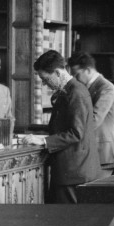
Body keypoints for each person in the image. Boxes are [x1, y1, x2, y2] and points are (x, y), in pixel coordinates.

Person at [24, 50, 101, 203]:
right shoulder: (69, 91)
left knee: (65, 220)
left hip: (74, 171)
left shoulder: (76, 93)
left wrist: (44, 141)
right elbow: (61, 126)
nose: (44, 84)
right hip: (71, 170)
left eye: (45, 79)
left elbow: (75, 133)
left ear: (58, 73)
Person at [68, 52, 114, 175]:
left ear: (87, 70)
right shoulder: (87, 87)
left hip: (103, 151)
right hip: (93, 149)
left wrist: (70, 132)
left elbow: (94, 119)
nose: (75, 79)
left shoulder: (106, 87)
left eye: (77, 74)